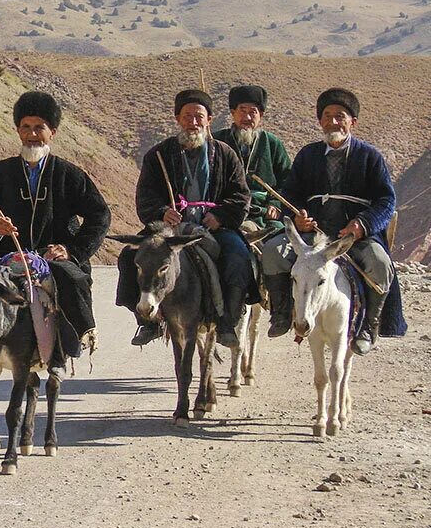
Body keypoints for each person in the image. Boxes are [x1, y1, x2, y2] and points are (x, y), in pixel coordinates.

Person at [0, 90, 110, 359]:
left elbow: (100, 216)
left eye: (39, 128)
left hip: (52, 253)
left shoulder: (69, 174)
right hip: (4, 251)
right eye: (26, 128)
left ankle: (76, 338)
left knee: (73, 279)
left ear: (52, 132)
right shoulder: (1, 173)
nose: (32, 134)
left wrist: (72, 251)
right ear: (18, 131)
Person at [261, 88, 403, 353]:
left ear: (353, 122)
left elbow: (386, 200)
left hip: (353, 237)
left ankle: (367, 328)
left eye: (340, 116)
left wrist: (361, 225)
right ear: (320, 121)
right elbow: (290, 193)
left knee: (381, 264)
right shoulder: (308, 155)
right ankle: (282, 314)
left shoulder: (369, 156)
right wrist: (297, 215)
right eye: (328, 116)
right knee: (271, 252)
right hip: (312, 235)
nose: (334, 122)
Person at [118, 89, 252, 347]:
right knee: (128, 257)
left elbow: (240, 196)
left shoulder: (226, 155)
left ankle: (227, 323)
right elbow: (145, 196)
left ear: (209, 119)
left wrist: (220, 215)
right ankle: (148, 321)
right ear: (177, 118)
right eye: (187, 116)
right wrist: (161, 212)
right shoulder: (158, 155)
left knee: (239, 257)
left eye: (199, 117)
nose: (193, 122)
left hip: (213, 227)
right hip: (169, 231)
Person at [212, 85, 292, 231]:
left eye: (253, 112)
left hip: (262, 212)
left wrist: (275, 203)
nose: (247, 118)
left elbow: (288, 180)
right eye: (242, 111)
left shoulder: (272, 143)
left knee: (281, 242)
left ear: (261, 115)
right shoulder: (216, 142)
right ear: (232, 112)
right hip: (225, 209)